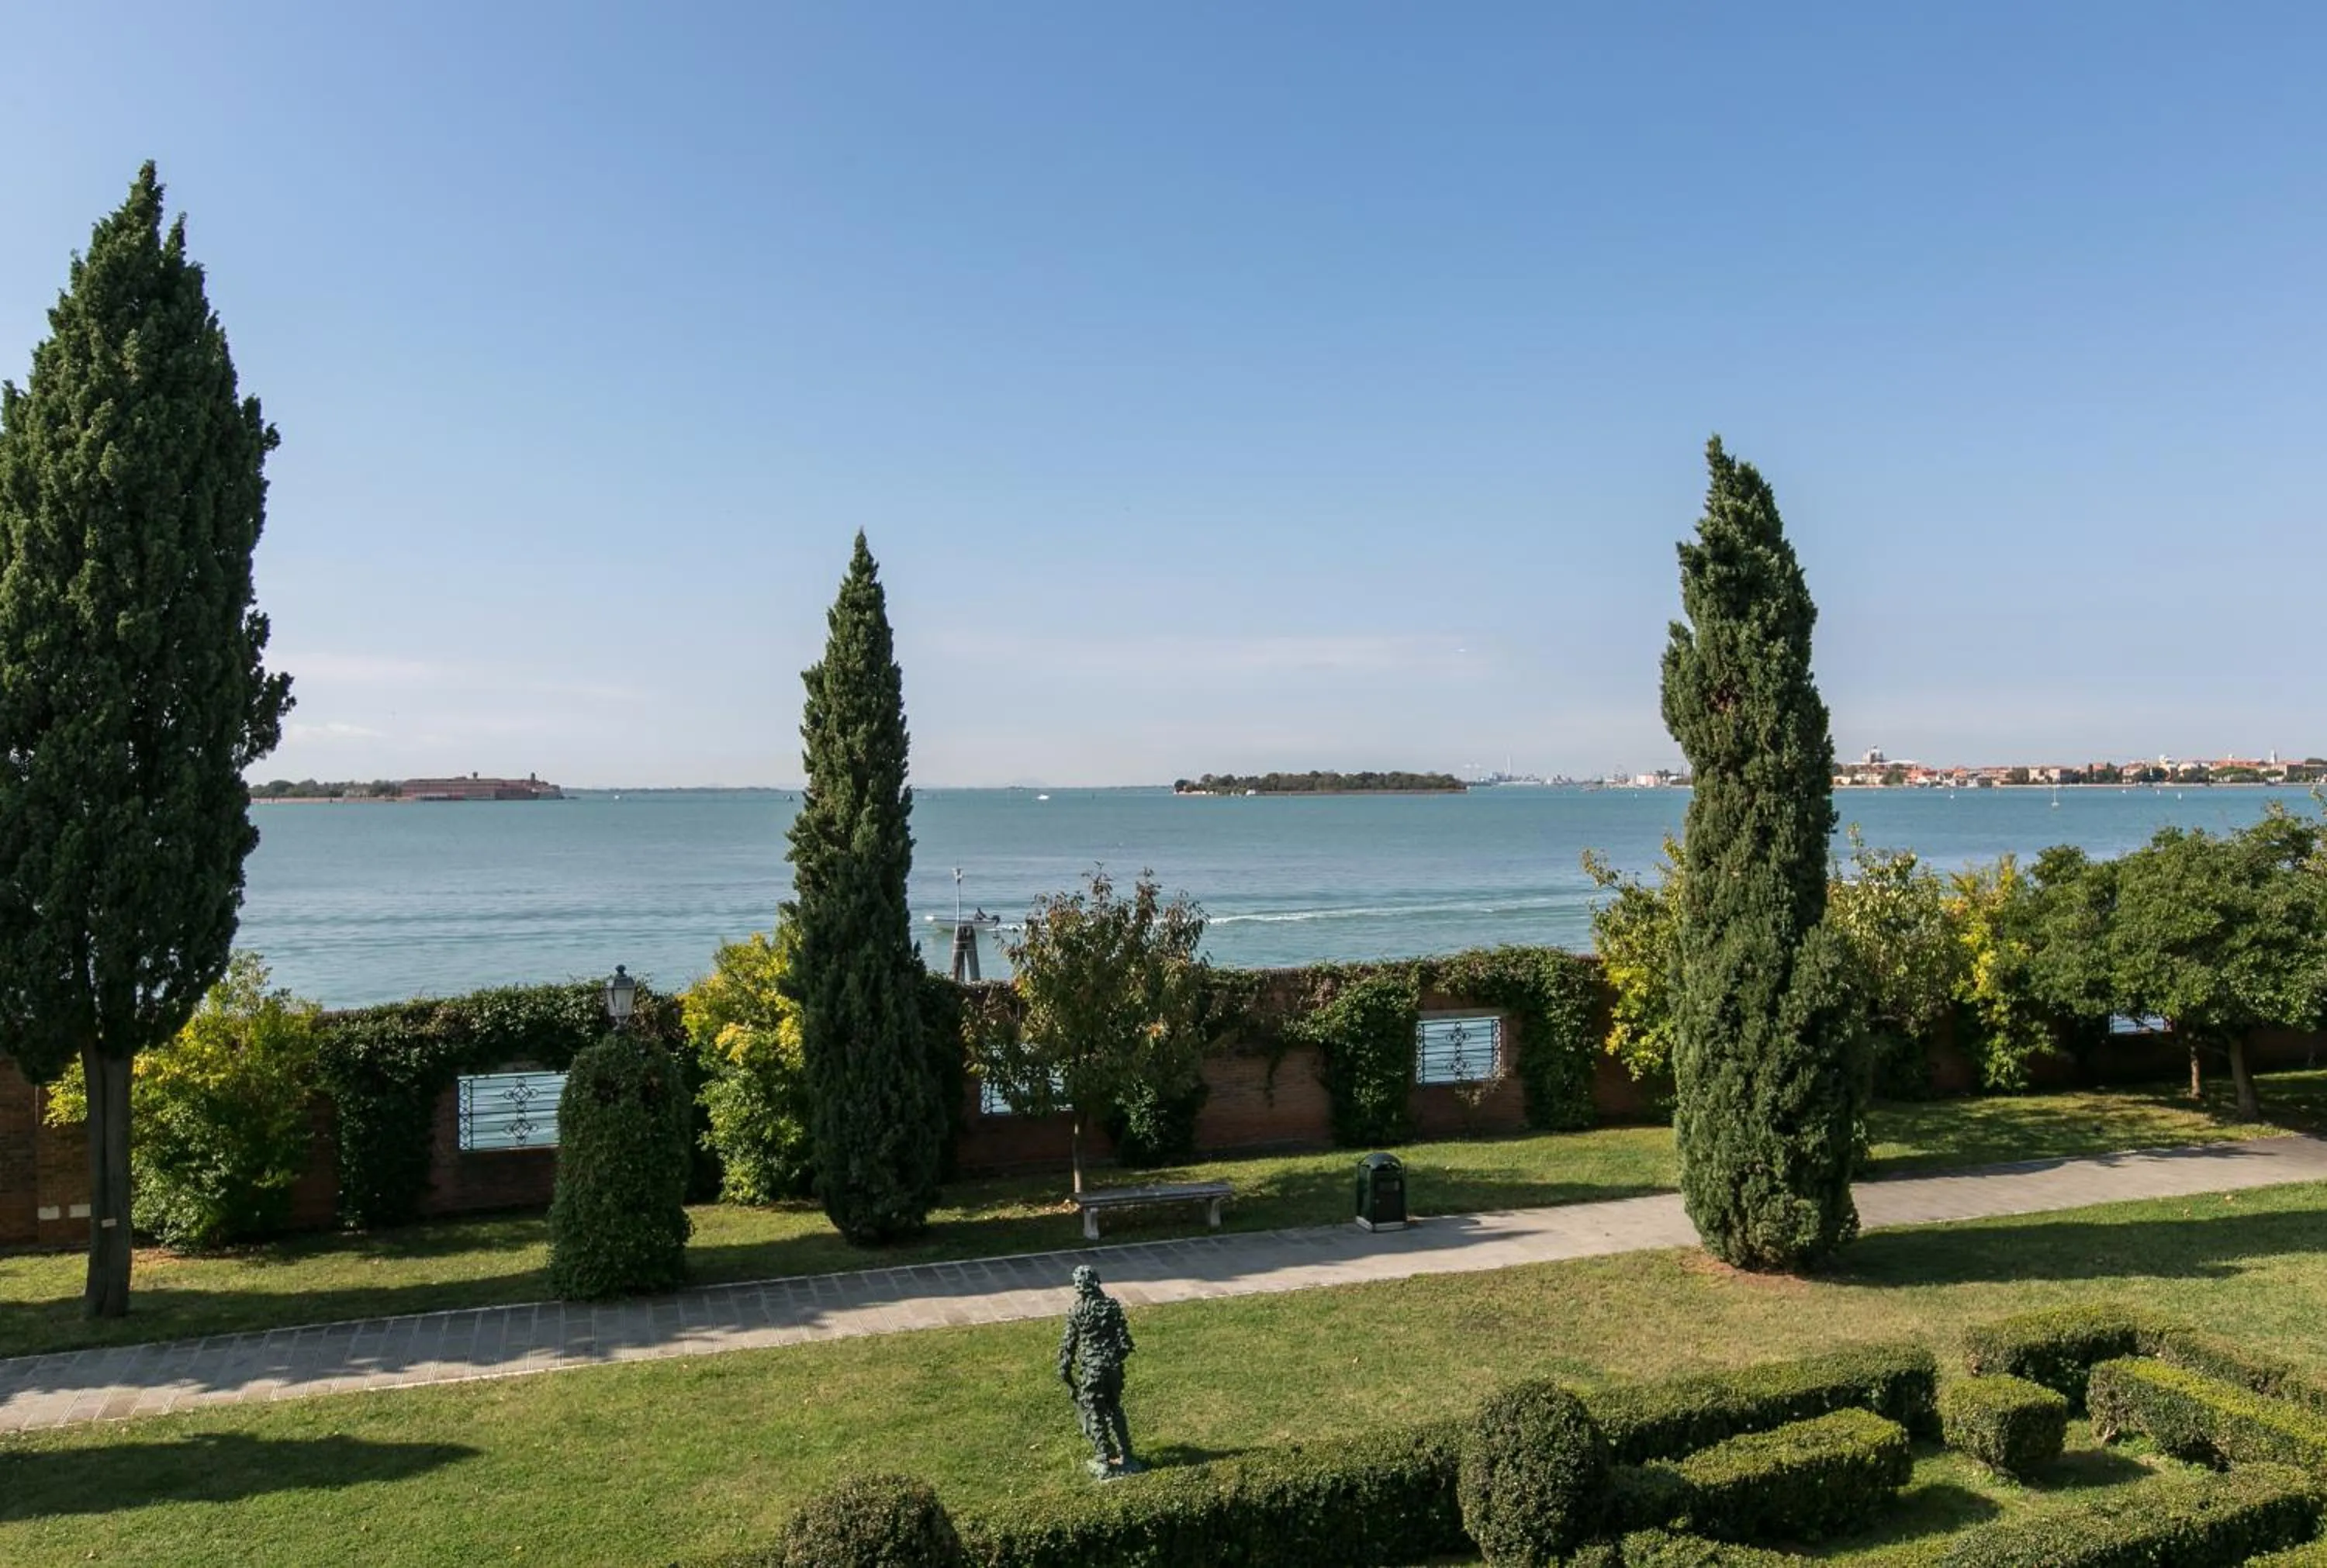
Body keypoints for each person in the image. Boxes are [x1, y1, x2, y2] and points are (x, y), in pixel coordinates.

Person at [1056, 1265, 1140, 1476]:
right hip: (1112, 1369)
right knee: (1115, 1409)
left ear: (1079, 1287)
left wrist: (1065, 1372)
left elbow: (1068, 1346)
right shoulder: (1112, 1307)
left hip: (1092, 1371)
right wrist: (1112, 1360)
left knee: (1096, 1413)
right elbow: (1125, 1343)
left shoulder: (1077, 1311)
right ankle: (1127, 1455)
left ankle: (1104, 1461)